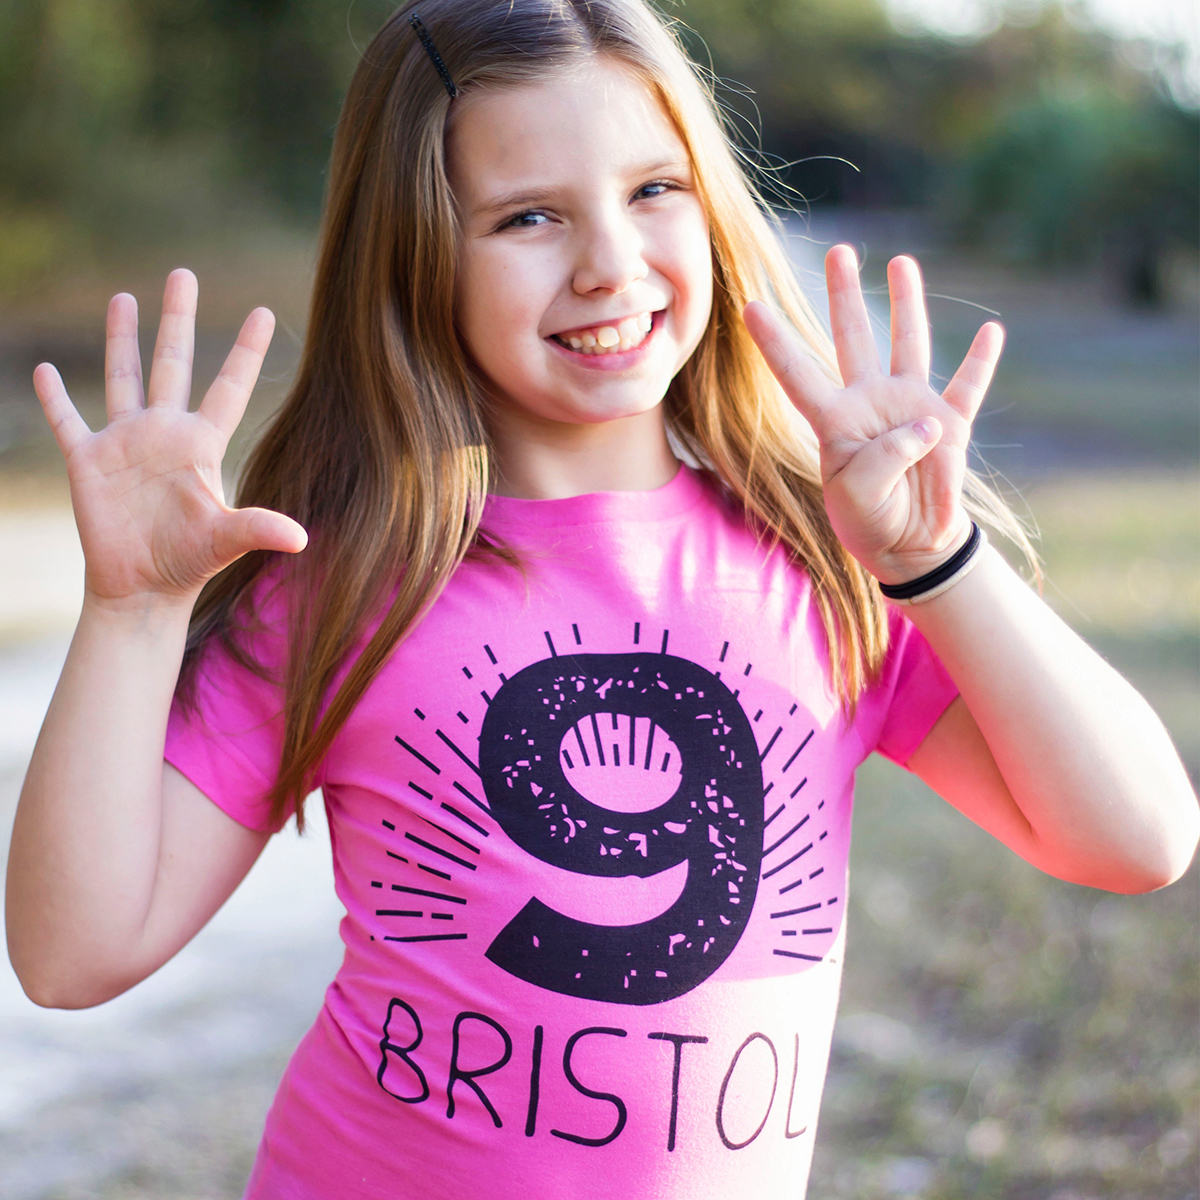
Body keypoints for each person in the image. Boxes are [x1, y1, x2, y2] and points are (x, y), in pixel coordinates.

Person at [6, 1, 1196, 1196]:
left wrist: (937, 562)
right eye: (528, 216)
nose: (610, 265)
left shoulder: (832, 560)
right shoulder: (344, 581)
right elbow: (70, 958)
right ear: (418, 253)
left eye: (653, 190)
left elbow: (1138, 840)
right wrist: (132, 612)